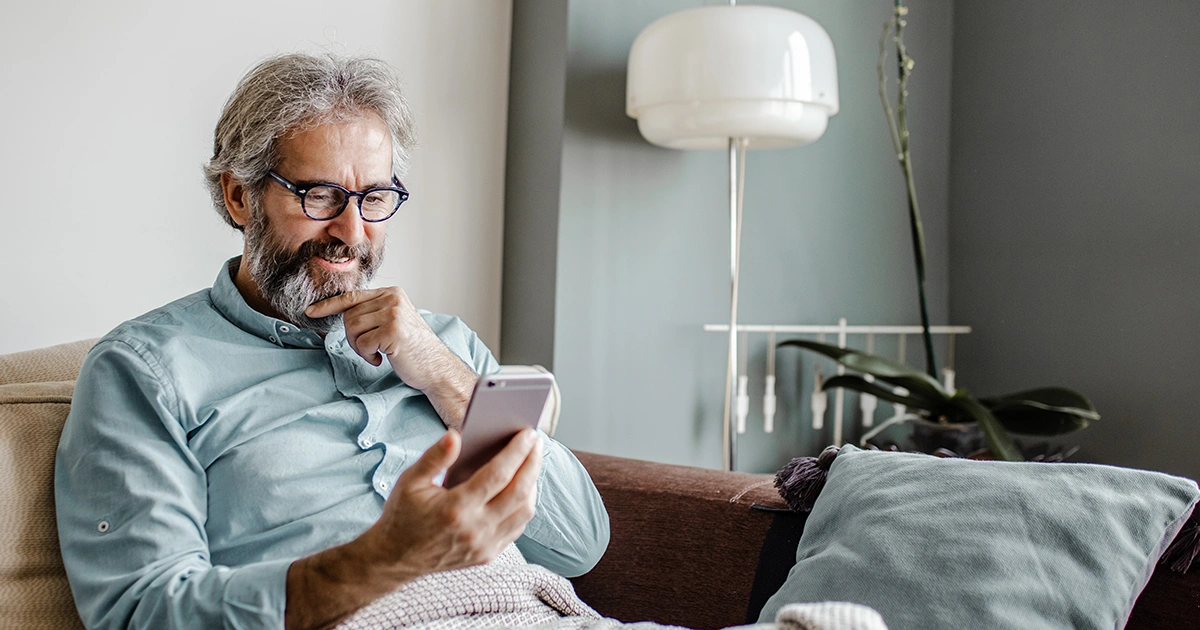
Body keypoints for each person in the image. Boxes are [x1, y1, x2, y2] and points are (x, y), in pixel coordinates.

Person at [54, 53, 610, 630]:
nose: (351, 233)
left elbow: (579, 546)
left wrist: (450, 379)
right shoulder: (146, 371)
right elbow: (143, 611)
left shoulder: (443, 342)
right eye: (319, 196)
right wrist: (386, 558)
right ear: (240, 196)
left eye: (374, 199)